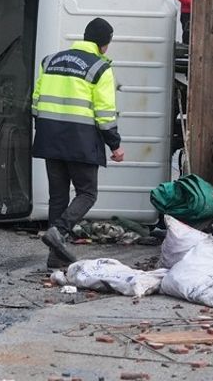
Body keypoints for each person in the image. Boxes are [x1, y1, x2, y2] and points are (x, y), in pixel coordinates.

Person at [31, 18, 124, 268]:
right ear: (104, 45)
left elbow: (36, 101)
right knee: (87, 193)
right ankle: (59, 231)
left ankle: (55, 257)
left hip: (50, 138)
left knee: (58, 197)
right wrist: (115, 145)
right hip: (81, 141)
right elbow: (104, 114)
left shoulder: (50, 61)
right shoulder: (100, 68)